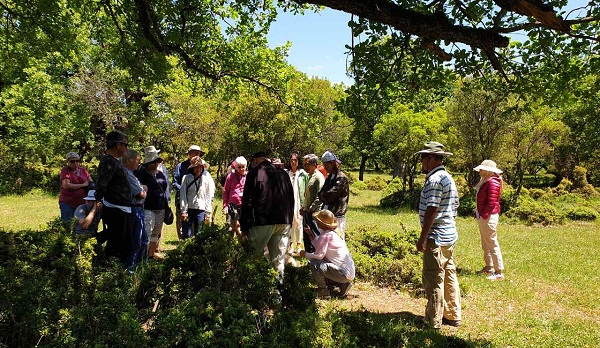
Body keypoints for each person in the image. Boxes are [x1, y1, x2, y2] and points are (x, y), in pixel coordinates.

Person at [415, 141, 462, 329]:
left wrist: (423, 237)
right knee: (449, 274)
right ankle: (452, 314)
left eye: (424, 158)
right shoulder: (447, 177)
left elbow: (432, 209)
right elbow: (455, 205)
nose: (422, 162)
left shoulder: (434, 180)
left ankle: (432, 320)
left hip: (436, 236)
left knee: (433, 278)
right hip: (449, 235)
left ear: (432, 158)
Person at [240, 151, 294, 281]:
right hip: (284, 220)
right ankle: (277, 293)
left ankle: (254, 290)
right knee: (278, 261)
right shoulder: (283, 173)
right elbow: (291, 199)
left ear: (254, 161)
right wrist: (290, 221)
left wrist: (245, 226)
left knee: (254, 257)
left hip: (263, 221)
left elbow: (247, 201)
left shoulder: (254, 173)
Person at [94, 130, 133, 264]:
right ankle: (110, 275)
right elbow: (101, 184)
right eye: (125, 145)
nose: (126, 148)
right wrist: (98, 201)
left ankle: (117, 273)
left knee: (126, 244)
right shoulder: (108, 161)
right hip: (115, 209)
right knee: (116, 245)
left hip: (123, 208)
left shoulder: (115, 162)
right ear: (118, 145)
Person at [300, 209, 355, 300]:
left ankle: (324, 292)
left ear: (321, 224)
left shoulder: (326, 236)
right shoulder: (332, 234)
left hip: (343, 273)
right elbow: (319, 244)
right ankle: (343, 284)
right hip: (348, 273)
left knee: (314, 263)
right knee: (324, 264)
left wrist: (305, 254)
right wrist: (310, 234)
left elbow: (319, 255)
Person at [135, 146, 169, 259]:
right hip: (148, 206)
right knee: (147, 232)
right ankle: (144, 256)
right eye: (153, 162)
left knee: (156, 232)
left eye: (157, 161)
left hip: (161, 207)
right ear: (147, 163)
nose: (155, 164)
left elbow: (165, 188)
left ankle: (150, 255)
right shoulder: (141, 174)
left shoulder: (161, 174)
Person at [474, 160, 505, 281]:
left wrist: (484, 215)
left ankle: (498, 271)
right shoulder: (487, 181)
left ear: (488, 170)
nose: (480, 172)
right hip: (484, 215)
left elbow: (492, 202)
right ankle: (489, 266)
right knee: (485, 242)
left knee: (491, 242)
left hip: (488, 216)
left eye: (482, 169)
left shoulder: (492, 182)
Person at [122, 149, 148, 270]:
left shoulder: (131, 174)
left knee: (143, 240)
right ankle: (131, 269)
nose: (139, 162)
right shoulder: (127, 174)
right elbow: (141, 194)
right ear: (129, 160)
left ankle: (141, 266)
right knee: (136, 241)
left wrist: (143, 188)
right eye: (137, 160)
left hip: (138, 209)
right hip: (134, 210)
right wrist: (144, 189)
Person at [173, 145, 205, 240]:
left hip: (197, 202)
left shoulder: (202, 167)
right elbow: (175, 182)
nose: (197, 155)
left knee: (197, 226)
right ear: (189, 154)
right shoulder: (181, 166)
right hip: (182, 200)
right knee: (182, 223)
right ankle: (182, 244)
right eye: (195, 153)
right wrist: (184, 190)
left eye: (199, 153)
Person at [180, 156, 215, 239]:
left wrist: (208, 212)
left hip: (201, 210)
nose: (198, 169)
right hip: (189, 209)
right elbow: (183, 195)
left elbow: (208, 196)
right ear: (192, 168)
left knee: (199, 233)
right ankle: (186, 251)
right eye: (196, 167)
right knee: (186, 234)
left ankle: (197, 251)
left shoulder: (206, 179)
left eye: (200, 166)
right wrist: (184, 210)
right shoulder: (186, 178)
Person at [317, 151, 349, 239]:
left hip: (337, 214)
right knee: (324, 239)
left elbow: (330, 196)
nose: (325, 168)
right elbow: (320, 193)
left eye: (326, 165)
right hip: (327, 214)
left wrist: (324, 195)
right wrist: (323, 195)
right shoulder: (330, 176)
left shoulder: (341, 178)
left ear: (332, 163)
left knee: (337, 239)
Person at [300, 154, 325, 252]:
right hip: (308, 212)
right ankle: (309, 256)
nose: (305, 166)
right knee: (307, 235)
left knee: (314, 235)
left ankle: (317, 257)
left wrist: (310, 209)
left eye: (307, 164)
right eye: (304, 164)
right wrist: (304, 208)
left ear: (314, 164)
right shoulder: (311, 176)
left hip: (314, 213)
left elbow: (320, 196)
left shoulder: (318, 177)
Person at [59, 151, 93, 222]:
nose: (75, 163)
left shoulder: (83, 170)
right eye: (72, 161)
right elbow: (66, 185)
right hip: (68, 203)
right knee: (67, 224)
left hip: (82, 203)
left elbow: (91, 183)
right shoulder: (65, 171)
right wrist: (82, 185)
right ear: (68, 162)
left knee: (81, 224)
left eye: (77, 161)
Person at [286, 152, 309, 254]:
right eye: (292, 160)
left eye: (295, 160)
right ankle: (290, 244)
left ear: (298, 161)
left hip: (299, 200)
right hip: (289, 201)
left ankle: (299, 245)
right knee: (290, 222)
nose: (293, 162)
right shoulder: (287, 173)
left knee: (299, 222)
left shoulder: (303, 174)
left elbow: (308, 188)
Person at [222, 156, 247, 237]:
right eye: (239, 167)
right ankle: (229, 247)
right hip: (232, 206)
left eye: (243, 167)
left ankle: (242, 246)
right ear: (235, 167)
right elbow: (225, 192)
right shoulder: (230, 176)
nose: (241, 169)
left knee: (243, 229)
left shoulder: (248, 176)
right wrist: (225, 206)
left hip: (244, 206)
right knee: (230, 228)